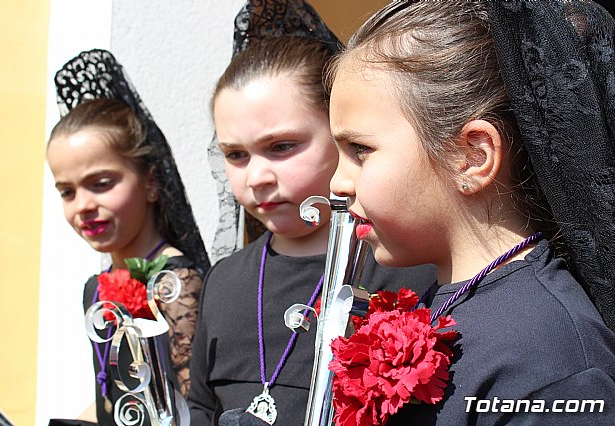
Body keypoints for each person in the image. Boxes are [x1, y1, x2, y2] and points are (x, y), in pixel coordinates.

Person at [327, 0, 615, 424]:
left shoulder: (548, 361)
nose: (337, 183)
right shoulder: (447, 296)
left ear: (472, 156)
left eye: (360, 151)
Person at [186, 7, 437, 425]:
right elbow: (201, 406)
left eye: (282, 146)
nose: (257, 177)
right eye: (235, 155)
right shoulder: (224, 280)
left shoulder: (409, 270)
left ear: (340, 133)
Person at [46, 49, 211, 425]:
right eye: (67, 192)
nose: (83, 205)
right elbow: (110, 396)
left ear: (151, 180)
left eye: (101, 184)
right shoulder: (96, 289)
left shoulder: (177, 284)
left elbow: (191, 409)